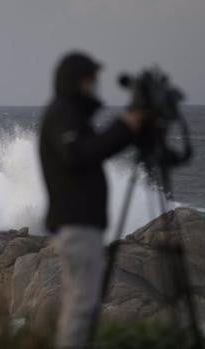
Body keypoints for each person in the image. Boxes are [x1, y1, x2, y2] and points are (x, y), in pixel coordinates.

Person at [39, 52, 143, 348]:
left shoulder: (68, 114)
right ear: (76, 82)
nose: (94, 86)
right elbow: (78, 153)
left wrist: (127, 130)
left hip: (79, 226)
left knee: (79, 307)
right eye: (90, 80)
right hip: (78, 226)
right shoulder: (64, 112)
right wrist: (125, 126)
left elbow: (91, 150)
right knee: (83, 307)